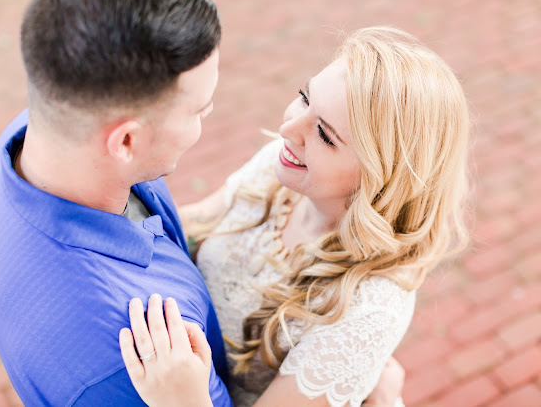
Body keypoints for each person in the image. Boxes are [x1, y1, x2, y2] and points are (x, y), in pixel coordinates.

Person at [120, 26, 470, 406]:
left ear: (380, 177)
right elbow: (191, 225)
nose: (288, 129)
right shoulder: (281, 164)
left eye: (325, 135)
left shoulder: (371, 308)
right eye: (305, 98)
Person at [0, 0, 231, 405]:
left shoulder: (34, 139)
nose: (208, 115)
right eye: (199, 109)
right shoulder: (136, 356)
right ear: (126, 142)